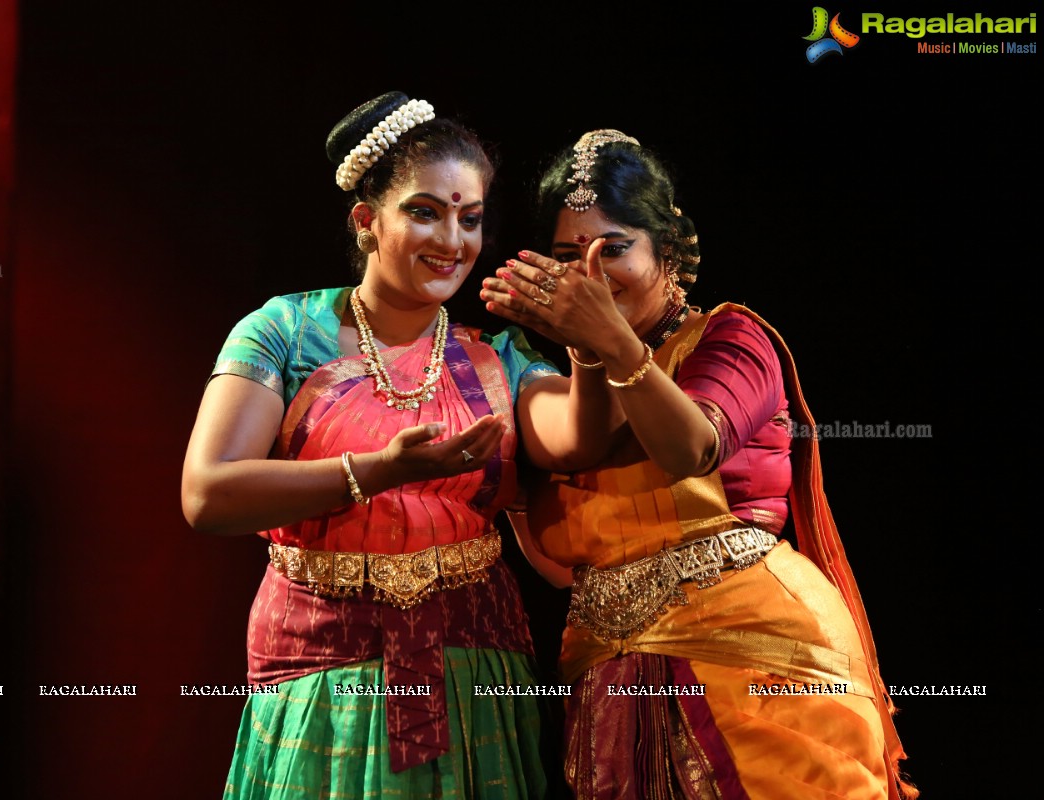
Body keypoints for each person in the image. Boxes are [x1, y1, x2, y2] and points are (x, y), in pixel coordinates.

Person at [181, 92, 597, 799]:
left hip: (474, 668)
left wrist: (592, 342)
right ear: (367, 221)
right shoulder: (283, 332)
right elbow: (207, 494)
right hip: (324, 667)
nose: (453, 241)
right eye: (425, 211)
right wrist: (377, 472)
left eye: (471, 219)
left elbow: (581, 443)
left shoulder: (500, 356)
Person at [480, 130, 916, 799]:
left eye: (614, 249)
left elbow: (691, 449)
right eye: (569, 257)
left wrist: (612, 346)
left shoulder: (730, 340)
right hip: (612, 683)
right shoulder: (555, 394)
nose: (591, 276)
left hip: (760, 665)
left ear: (670, 252)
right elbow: (563, 563)